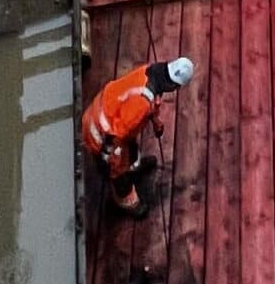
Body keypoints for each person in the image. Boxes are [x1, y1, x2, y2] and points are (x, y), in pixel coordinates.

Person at [81, 55, 195, 216]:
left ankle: (133, 167)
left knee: (130, 149)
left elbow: (150, 101)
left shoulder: (149, 72)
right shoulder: (141, 104)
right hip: (101, 132)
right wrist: (110, 158)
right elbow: (117, 134)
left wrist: (156, 123)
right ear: (174, 85)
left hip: (109, 113)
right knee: (118, 171)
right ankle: (126, 200)